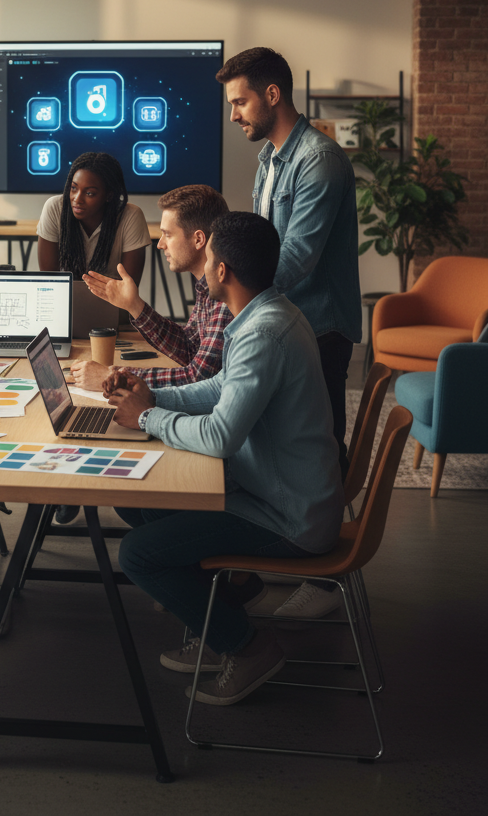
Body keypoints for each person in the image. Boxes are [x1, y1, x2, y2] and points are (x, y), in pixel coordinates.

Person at [106, 212, 343, 706]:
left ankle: (249, 646)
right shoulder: (264, 313)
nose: (203, 266)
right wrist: (151, 395)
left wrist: (146, 419)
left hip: (288, 517)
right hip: (277, 494)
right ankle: (220, 624)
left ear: (223, 271)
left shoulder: (262, 333)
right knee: (146, 507)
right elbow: (218, 389)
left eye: (209, 257)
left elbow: (218, 435)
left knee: (138, 554)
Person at [217, 47, 362, 622]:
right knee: (271, 446)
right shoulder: (271, 159)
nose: (234, 115)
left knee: (319, 454)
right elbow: (257, 244)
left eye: (240, 101)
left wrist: (230, 288)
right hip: (277, 322)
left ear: (272, 94)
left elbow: (294, 256)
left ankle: (326, 582)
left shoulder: (318, 160)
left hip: (317, 326)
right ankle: (273, 553)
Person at [55, 185, 230, 526]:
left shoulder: (224, 293)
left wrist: (111, 376)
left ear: (197, 239)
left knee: (126, 497)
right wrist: (132, 305)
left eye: (166, 234)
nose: (160, 243)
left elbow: (200, 376)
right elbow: (190, 350)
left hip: (216, 446)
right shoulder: (205, 285)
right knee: (125, 499)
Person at [36, 150, 148, 285]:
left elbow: (129, 290)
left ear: (109, 195)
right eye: (73, 188)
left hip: (112, 305)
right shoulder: (55, 208)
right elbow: (49, 282)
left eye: (89, 193)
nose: (77, 199)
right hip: (64, 303)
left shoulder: (131, 216)